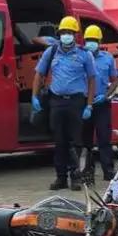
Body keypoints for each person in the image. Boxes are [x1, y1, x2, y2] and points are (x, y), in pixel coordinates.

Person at [31, 16, 96, 191]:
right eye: (64, 32)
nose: (66, 35)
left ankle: (76, 177)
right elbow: (39, 74)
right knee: (59, 141)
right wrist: (34, 97)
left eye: (70, 32)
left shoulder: (84, 54)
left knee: (76, 141)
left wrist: (89, 105)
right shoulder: (51, 52)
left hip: (76, 102)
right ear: (59, 34)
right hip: (57, 101)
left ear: (75, 35)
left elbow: (91, 80)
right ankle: (61, 177)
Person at [80, 25, 118, 182]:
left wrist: (106, 95)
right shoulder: (81, 57)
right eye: (88, 40)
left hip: (102, 103)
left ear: (100, 41)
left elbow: (115, 81)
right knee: (85, 140)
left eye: (94, 40)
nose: (91, 43)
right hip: (84, 103)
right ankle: (87, 172)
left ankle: (108, 170)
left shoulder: (108, 58)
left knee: (104, 138)